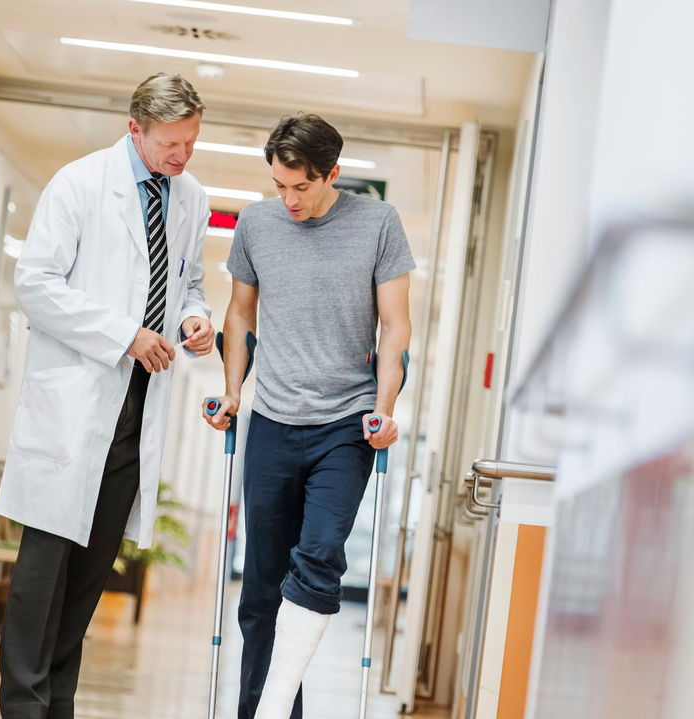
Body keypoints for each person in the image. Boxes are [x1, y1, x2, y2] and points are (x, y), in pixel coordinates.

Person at [0, 72, 216, 719]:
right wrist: (126, 335)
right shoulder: (79, 184)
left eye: (191, 143)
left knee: (89, 576)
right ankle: (22, 706)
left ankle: (56, 704)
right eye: (171, 144)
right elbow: (34, 284)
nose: (181, 156)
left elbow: (190, 282)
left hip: (136, 410)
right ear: (134, 128)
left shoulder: (192, 198)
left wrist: (193, 320)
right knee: (42, 576)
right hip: (74, 407)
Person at [203, 113, 414, 719]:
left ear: (333, 174)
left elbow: (396, 324)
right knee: (261, 592)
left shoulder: (378, 223)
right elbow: (240, 315)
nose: (289, 199)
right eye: (280, 186)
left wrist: (384, 407)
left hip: (345, 424)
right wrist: (233, 391)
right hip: (271, 420)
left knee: (319, 554)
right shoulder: (256, 222)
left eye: (302, 186)